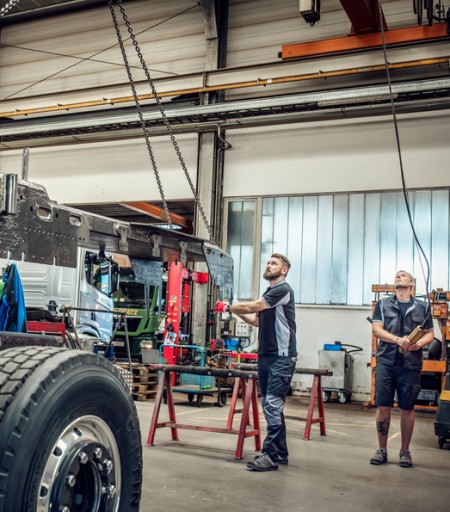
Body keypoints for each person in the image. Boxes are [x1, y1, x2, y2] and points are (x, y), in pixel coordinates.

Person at [215, 253, 297, 472]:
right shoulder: (269, 293)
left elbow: (253, 307)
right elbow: (255, 319)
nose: (269, 265)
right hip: (266, 355)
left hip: (281, 357)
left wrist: (228, 308)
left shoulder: (283, 289)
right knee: (271, 404)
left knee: (272, 405)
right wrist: (236, 312)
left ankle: (270, 455)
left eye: (274, 263)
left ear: (284, 270)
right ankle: (280, 452)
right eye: (268, 262)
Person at [371, 270, 434, 468]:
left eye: (403, 275)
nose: (398, 276)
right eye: (397, 275)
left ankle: (405, 451)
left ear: (411, 283)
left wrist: (418, 344)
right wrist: (398, 340)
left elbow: (430, 334)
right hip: (386, 362)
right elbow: (377, 329)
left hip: (411, 364)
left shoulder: (423, 307)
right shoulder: (383, 304)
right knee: (383, 405)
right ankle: (381, 449)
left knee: (407, 407)